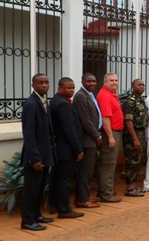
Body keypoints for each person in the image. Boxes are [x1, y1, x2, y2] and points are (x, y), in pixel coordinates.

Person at [20, 74, 56, 231]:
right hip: (35, 157)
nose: (44, 85)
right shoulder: (31, 104)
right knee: (31, 190)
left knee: (40, 188)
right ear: (33, 85)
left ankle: (36, 214)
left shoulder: (42, 101)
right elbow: (29, 134)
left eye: (46, 82)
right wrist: (35, 158)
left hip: (45, 154)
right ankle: (27, 221)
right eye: (40, 82)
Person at [48, 77, 85, 219]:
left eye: (73, 87)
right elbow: (69, 130)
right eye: (68, 88)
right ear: (60, 88)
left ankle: (54, 205)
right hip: (66, 149)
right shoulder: (63, 104)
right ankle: (64, 209)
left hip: (59, 148)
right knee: (64, 179)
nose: (71, 90)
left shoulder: (56, 100)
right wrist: (78, 149)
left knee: (56, 177)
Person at [72, 73, 102, 208]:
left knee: (89, 170)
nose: (92, 84)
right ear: (82, 82)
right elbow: (85, 120)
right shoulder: (80, 96)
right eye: (89, 81)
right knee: (85, 171)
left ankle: (84, 195)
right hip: (86, 139)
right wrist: (97, 136)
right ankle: (82, 200)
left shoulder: (89, 94)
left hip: (91, 139)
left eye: (94, 81)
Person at [96, 72, 124, 203]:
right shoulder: (105, 95)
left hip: (115, 131)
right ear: (105, 82)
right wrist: (111, 137)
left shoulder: (111, 94)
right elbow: (105, 118)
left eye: (116, 80)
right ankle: (106, 194)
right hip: (111, 133)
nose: (114, 82)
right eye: (111, 80)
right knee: (108, 163)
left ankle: (106, 189)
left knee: (110, 163)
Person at [122, 79, 148, 197]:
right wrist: (135, 138)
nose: (142, 87)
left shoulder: (141, 100)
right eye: (139, 85)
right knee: (132, 161)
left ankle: (135, 185)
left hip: (141, 133)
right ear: (133, 87)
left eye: (143, 85)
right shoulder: (130, 101)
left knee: (139, 160)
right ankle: (130, 188)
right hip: (133, 134)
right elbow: (128, 121)